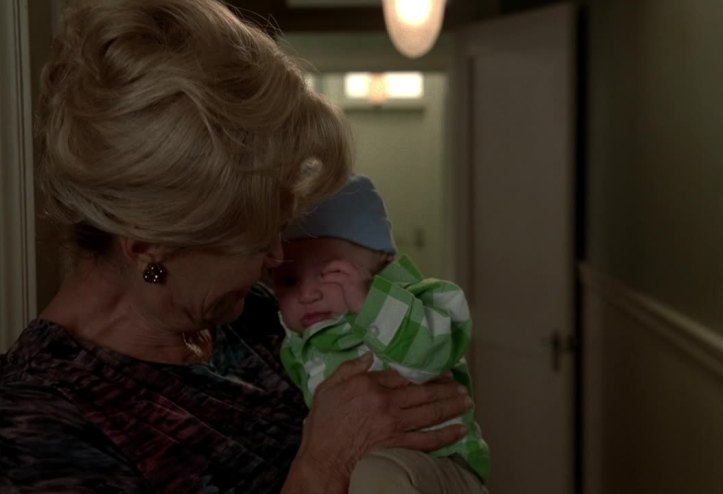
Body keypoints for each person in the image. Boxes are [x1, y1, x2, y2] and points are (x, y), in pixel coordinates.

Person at [0, 1, 473, 492]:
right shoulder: (36, 427)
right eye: (254, 237)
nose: (277, 257)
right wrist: (323, 466)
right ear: (149, 245)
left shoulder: (254, 317)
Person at [271, 175, 490, 493]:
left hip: (440, 463)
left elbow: (433, 356)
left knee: (375, 475)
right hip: (359, 470)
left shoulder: (420, 302)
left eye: (331, 274)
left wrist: (371, 302)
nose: (307, 294)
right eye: (289, 281)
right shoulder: (299, 345)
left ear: (381, 264)